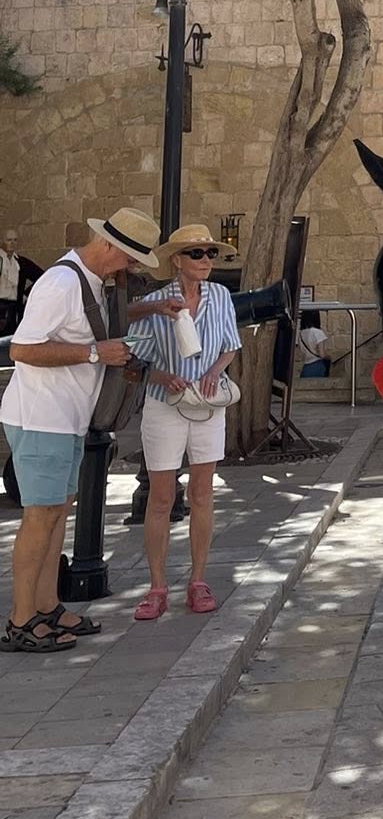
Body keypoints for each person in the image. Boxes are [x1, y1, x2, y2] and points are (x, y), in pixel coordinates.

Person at [0, 207, 180, 652]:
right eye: (130, 259)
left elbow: (98, 320)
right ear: (109, 246)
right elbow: (22, 349)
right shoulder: (61, 283)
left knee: (57, 512)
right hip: (41, 417)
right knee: (41, 516)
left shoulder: (91, 281)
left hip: (64, 418)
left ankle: (46, 605)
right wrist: (96, 353)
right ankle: (20, 620)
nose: (131, 268)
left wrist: (152, 307)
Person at [126, 222, 242, 619]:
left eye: (210, 253)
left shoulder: (221, 296)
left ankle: (198, 580)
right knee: (161, 496)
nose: (206, 260)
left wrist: (214, 371)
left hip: (207, 405)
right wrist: (159, 375)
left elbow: (230, 345)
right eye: (196, 253)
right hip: (165, 404)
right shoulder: (156, 302)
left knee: (202, 493)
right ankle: (157, 587)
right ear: (177, 260)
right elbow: (134, 353)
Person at [0, 229, 41, 339]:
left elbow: (42, 277)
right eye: (9, 240)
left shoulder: (21, 262)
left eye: (15, 240)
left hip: (13, 308)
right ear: (2, 241)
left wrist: (26, 294)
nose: (12, 243)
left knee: (9, 339)